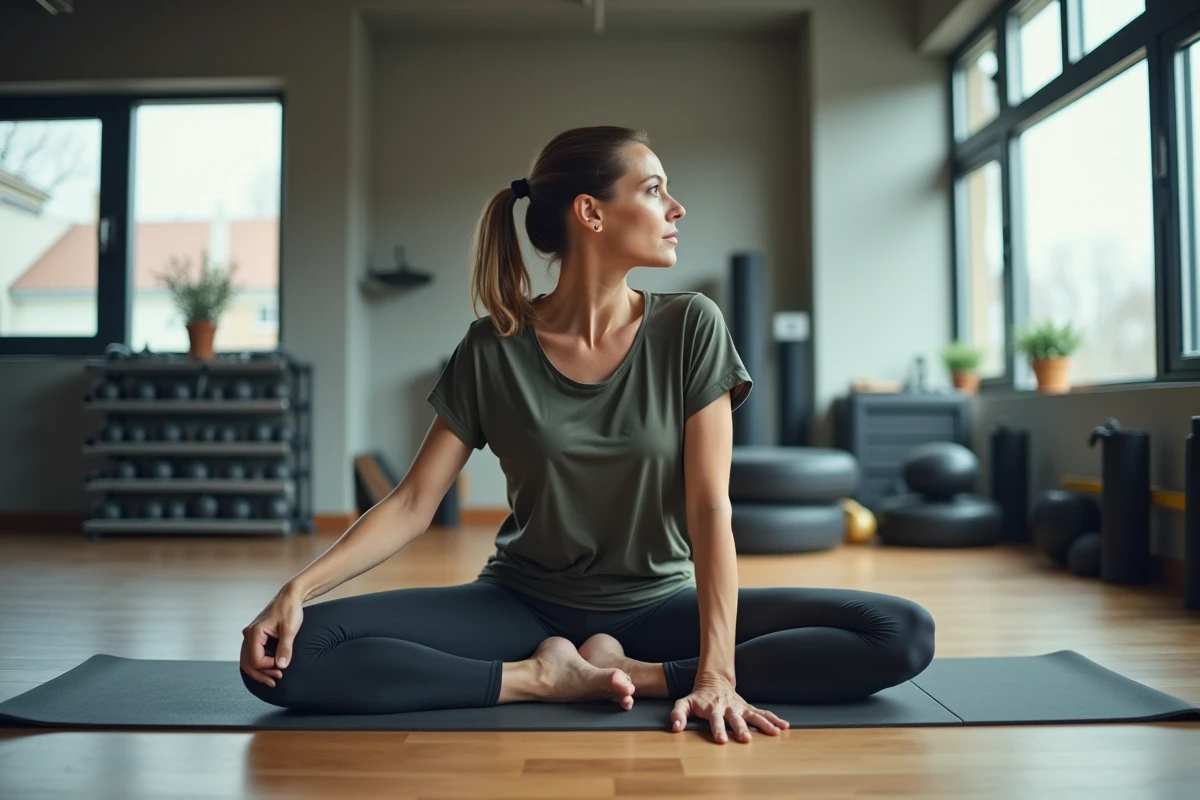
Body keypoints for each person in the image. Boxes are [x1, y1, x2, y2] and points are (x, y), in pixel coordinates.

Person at [240, 125, 936, 745]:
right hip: (519, 604)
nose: (677, 209)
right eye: (656, 189)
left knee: (899, 633)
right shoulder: (494, 349)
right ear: (591, 212)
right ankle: (539, 679)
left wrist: (713, 673)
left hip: (660, 606)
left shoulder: (690, 327)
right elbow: (413, 503)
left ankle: (633, 672)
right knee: (287, 661)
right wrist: (298, 590)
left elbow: (709, 509)